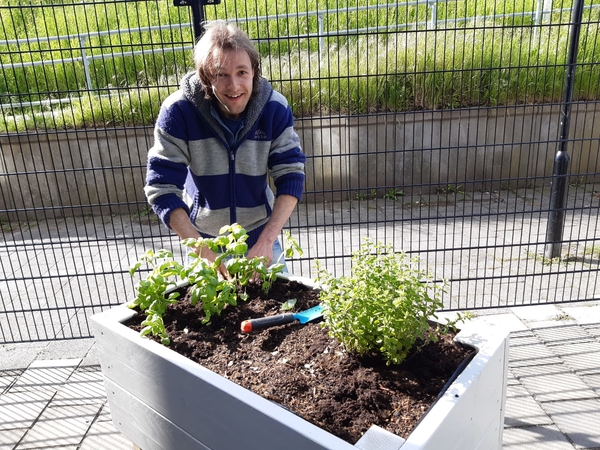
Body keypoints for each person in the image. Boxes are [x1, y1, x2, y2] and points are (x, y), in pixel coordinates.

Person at [144, 20, 305, 276]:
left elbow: (291, 175)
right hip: (204, 241)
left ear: (254, 71)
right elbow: (161, 187)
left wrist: (266, 240)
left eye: (242, 72)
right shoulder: (178, 111)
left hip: (261, 237)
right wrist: (201, 249)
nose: (234, 86)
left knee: (279, 313)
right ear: (206, 77)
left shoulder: (274, 108)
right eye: (221, 74)